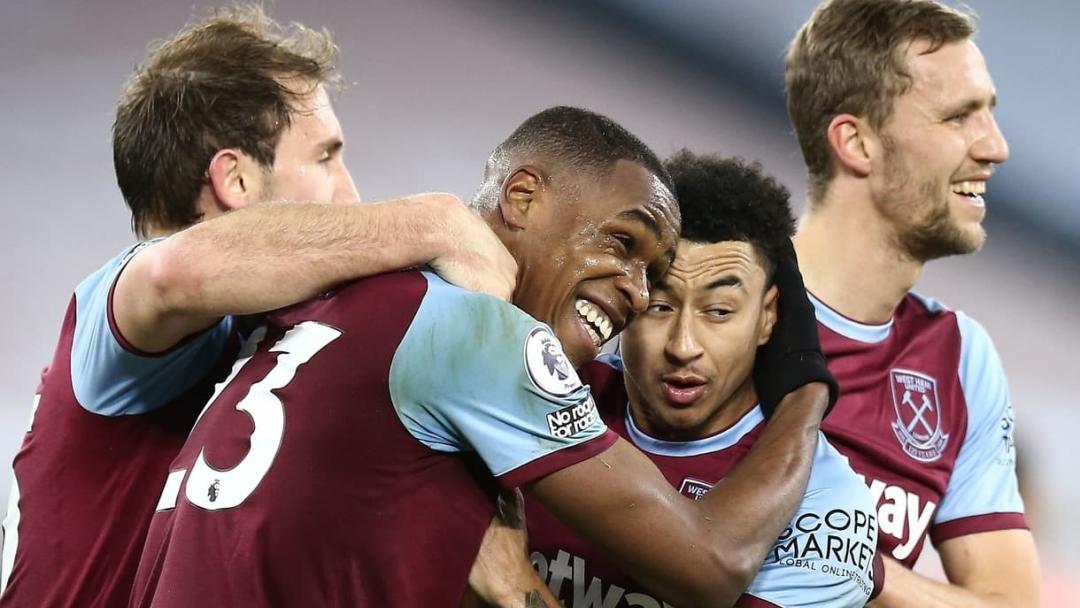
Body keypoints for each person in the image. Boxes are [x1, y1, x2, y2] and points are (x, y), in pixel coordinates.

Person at [131, 106, 837, 608]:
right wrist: (804, 387)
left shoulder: (350, 297)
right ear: (523, 197)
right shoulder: (485, 336)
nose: (635, 291)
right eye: (624, 244)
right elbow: (711, 567)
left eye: (653, 271)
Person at [0, 7, 517, 608]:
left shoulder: (262, 332)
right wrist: (434, 220)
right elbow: (176, 270)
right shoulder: (120, 306)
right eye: (325, 157)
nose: (350, 192)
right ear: (235, 181)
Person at [525, 150, 881, 607]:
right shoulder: (549, 388)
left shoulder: (827, 505)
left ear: (769, 316)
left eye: (719, 311)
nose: (683, 345)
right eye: (661, 305)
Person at [784, 0, 1039, 605]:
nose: (995, 147)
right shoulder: (709, 304)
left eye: (990, 114)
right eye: (959, 118)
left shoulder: (959, 360)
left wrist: (856, 565)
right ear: (857, 143)